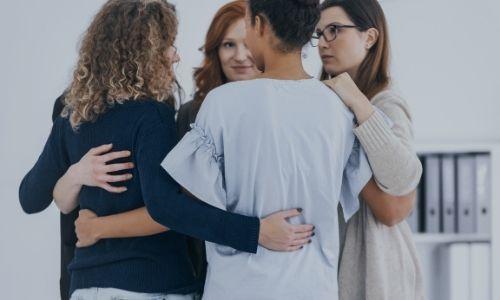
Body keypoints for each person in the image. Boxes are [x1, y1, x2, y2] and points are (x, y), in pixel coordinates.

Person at [18, 1, 313, 299]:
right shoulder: (151, 115)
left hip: (85, 287)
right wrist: (255, 232)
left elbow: (29, 198)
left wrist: (76, 181)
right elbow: (165, 207)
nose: (176, 55)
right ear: (144, 53)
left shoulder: (72, 116)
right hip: (150, 285)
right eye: (169, 44)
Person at [162, 0, 406, 298]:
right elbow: (394, 183)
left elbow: (192, 203)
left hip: (236, 289)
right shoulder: (339, 108)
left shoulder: (221, 103)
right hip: (314, 288)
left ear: (260, 26)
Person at [315, 0, 424, 298]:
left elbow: (403, 178)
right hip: (330, 257)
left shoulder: (384, 100)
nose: (323, 43)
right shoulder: (322, 101)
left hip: (376, 265)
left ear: (370, 37)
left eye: (334, 30)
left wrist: (355, 99)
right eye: (319, 33)